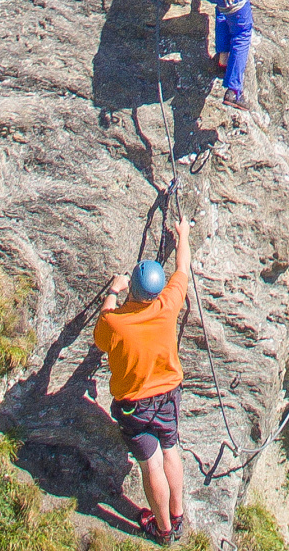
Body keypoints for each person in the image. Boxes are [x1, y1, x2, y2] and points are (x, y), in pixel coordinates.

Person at [90, 217, 192, 543]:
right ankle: (177, 516)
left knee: (151, 464)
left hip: (135, 406)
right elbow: (183, 269)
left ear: (132, 288)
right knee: (171, 450)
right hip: (167, 397)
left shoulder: (117, 324)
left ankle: (162, 530)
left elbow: (100, 336)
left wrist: (113, 292)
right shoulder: (168, 302)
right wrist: (183, 235)